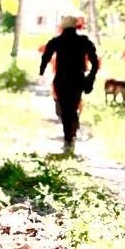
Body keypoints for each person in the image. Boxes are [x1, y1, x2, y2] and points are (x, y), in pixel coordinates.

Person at [39, 14, 100, 154]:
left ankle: (68, 139)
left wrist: (41, 71)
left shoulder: (56, 41)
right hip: (77, 78)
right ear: (75, 26)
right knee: (73, 106)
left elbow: (45, 57)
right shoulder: (83, 41)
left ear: (63, 26)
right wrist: (91, 76)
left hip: (61, 79)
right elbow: (95, 62)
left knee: (65, 109)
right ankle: (71, 134)